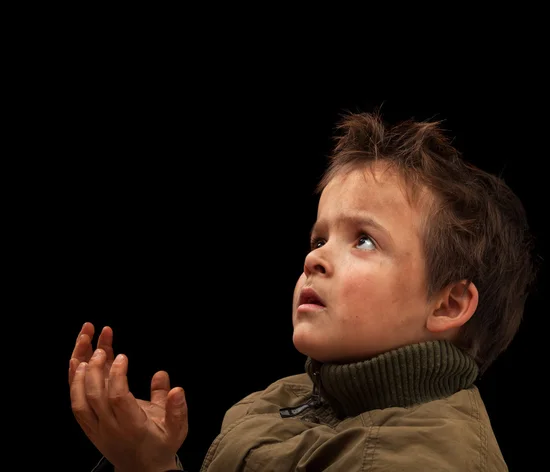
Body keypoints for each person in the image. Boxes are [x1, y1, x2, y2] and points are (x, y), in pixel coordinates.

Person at [69, 111, 536, 471]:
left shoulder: (428, 459)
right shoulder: (285, 397)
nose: (315, 259)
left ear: (449, 303)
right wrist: (147, 459)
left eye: (364, 240)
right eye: (319, 239)